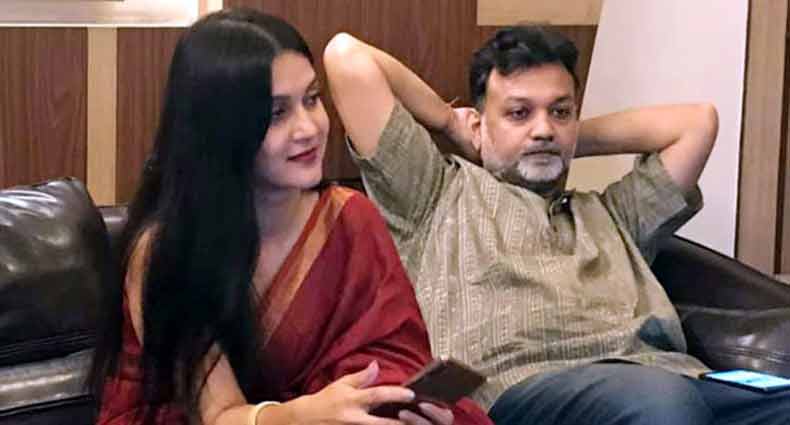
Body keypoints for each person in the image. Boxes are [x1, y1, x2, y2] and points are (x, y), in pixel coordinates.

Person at [324, 25, 790, 425]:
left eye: (560, 111)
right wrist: (449, 122)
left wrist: (556, 140)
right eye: (519, 112)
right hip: (527, 393)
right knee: (658, 401)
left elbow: (697, 123)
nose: (544, 128)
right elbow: (347, 57)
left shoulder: (616, 215)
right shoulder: (436, 194)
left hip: (674, 381)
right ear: (480, 125)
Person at [88, 9, 492, 425]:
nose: (309, 128)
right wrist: (305, 414)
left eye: (312, 99)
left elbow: (390, 360)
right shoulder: (168, 250)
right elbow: (219, 415)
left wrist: (401, 407)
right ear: (221, 128)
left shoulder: (348, 219)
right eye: (277, 113)